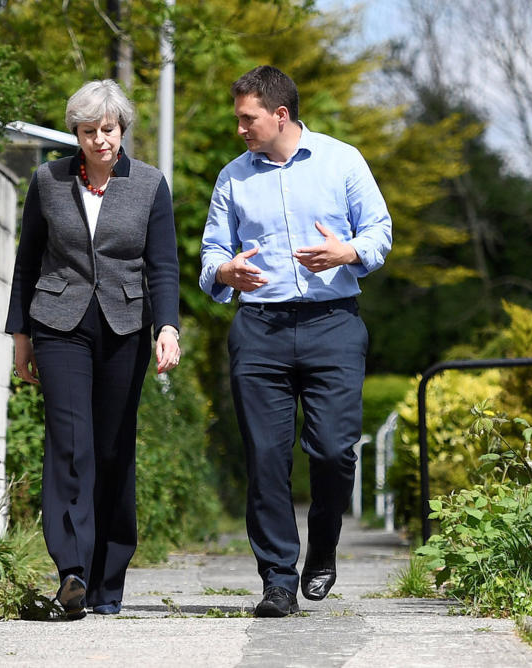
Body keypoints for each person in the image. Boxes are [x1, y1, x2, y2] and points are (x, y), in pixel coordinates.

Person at [199, 66, 392, 617]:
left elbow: (379, 229)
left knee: (333, 451)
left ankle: (324, 547)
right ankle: (277, 579)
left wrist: (348, 253)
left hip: (333, 324)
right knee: (265, 458)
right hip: (259, 329)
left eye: (247, 118)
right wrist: (226, 271)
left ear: (280, 114)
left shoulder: (343, 160)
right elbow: (212, 255)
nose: (240, 128)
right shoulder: (232, 178)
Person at [6, 79, 181, 620]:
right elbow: (27, 260)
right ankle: (72, 571)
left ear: (121, 128)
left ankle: (108, 580)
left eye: (108, 129)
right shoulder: (48, 180)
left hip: (126, 325)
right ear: (75, 133)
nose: (99, 140)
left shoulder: (150, 185)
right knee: (68, 444)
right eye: (88, 131)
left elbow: (163, 265)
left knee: (111, 449)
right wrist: (20, 336)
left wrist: (167, 327)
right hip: (59, 323)